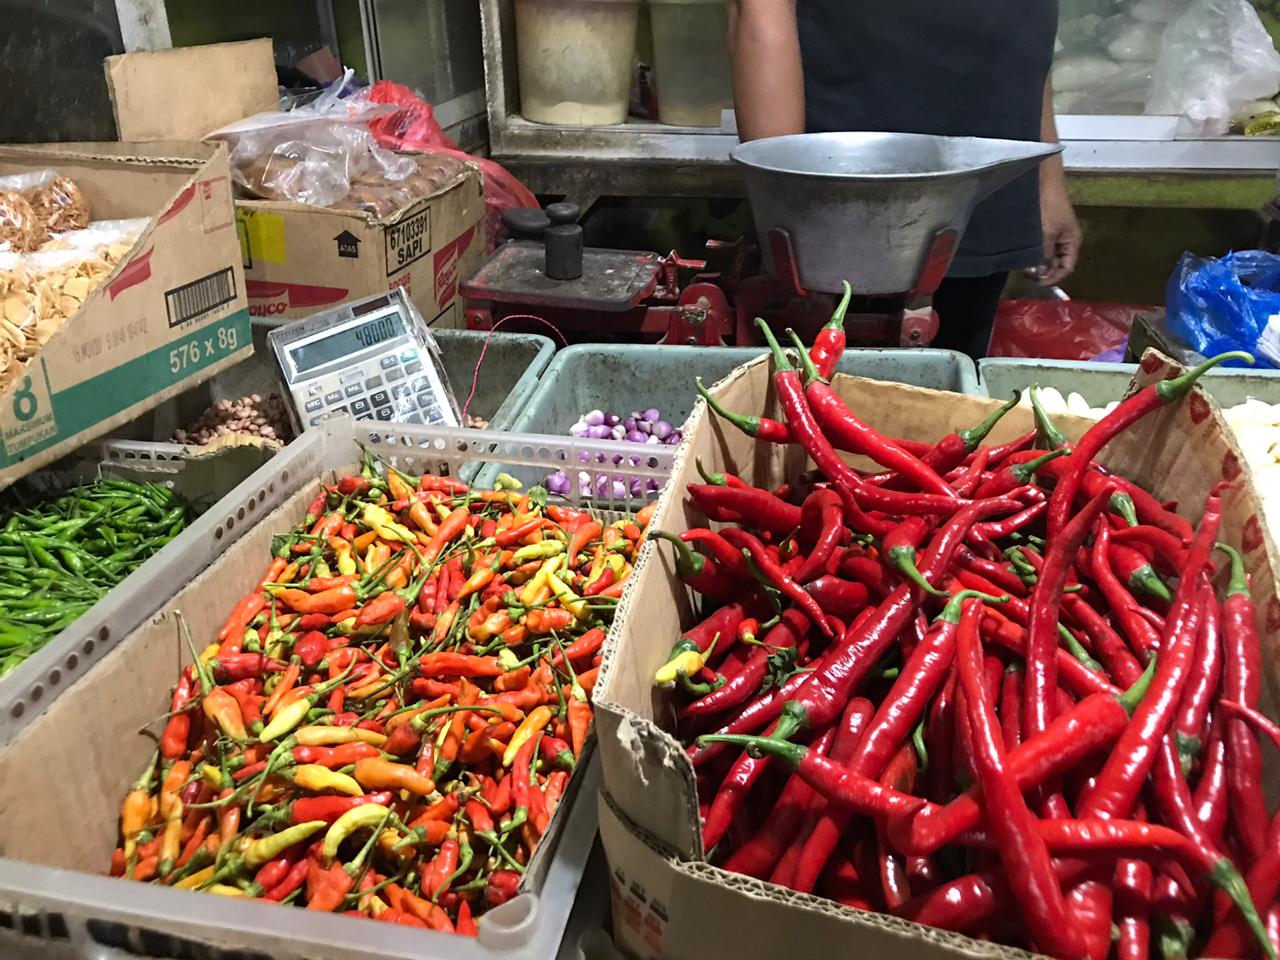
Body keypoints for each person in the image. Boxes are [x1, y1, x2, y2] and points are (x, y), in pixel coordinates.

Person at [728, 0, 1082, 359]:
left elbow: (1026, 33)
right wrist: (785, 200)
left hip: (992, 171)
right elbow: (762, 11)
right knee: (827, 385)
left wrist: (1045, 178)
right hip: (853, 194)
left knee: (953, 388)